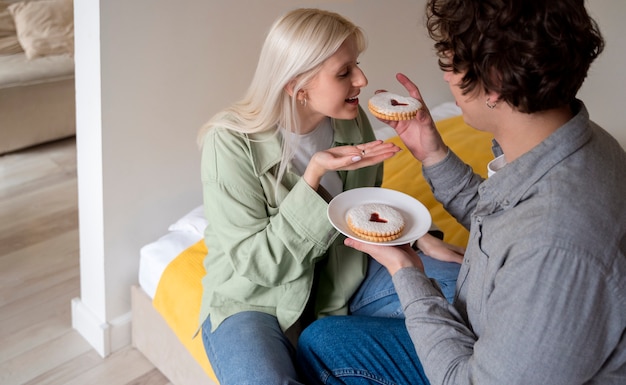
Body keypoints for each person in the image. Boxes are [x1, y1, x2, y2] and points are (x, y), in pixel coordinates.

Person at [296, 0, 626, 384]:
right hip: (509, 333)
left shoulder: (556, 247)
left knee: (321, 346)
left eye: (450, 63)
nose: (448, 78)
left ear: (496, 82)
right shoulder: (580, 142)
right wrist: (433, 154)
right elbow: (510, 223)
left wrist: (406, 268)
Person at [196, 8, 463, 384]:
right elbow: (258, 264)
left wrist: (419, 239)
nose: (362, 79)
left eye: (357, 65)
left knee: (465, 294)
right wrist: (313, 177)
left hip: (345, 275)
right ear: (297, 85)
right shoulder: (229, 144)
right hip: (256, 299)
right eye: (344, 73)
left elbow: (363, 205)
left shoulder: (350, 119)